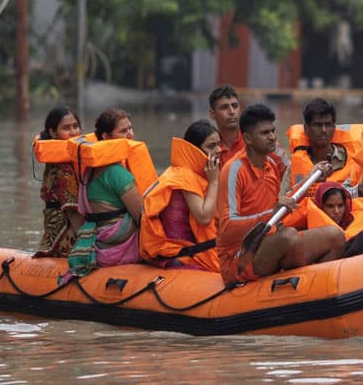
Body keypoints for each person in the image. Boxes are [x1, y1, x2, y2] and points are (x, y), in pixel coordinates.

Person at [215, 103, 345, 286]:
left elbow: (284, 203)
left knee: (335, 236)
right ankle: (300, 287)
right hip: (240, 256)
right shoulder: (233, 170)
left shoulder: (271, 165)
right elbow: (227, 227)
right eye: (265, 133)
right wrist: (270, 214)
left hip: (271, 241)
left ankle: (316, 289)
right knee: (289, 236)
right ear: (248, 138)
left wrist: (310, 178)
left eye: (273, 131)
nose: (272, 137)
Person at [63, 110, 146, 279]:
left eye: (130, 128)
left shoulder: (89, 170)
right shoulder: (116, 173)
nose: (130, 134)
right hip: (116, 245)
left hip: (98, 241)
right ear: (106, 137)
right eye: (123, 131)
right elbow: (141, 217)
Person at [138, 120, 223, 271]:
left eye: (218, 144)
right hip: (182, 256)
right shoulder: (184, 176)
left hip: (192, 250)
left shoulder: (184, 170)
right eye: (211, 146)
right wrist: (214, 182)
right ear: (194, 149)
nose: (219, 150)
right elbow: (204, 217)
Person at [287, 97, 363, 198]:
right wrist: (306, 181)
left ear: (334, 129)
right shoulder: (293, 167)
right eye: (317, 125)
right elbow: (283, 202)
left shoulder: (354, 163)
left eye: (328, 125)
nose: (323, 130)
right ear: (306, 129)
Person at [34, 105, 83, 259]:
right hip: (65, 230)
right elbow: (72, 210)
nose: (73, 132)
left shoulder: (64, 157)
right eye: (66, 128)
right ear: (53, 132)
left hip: (53, 229)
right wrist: (87, 242)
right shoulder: (62, 165)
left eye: (76, 126)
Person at [208, 85, 245, 168]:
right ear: (212, 114)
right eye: (224, 107)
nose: (232, 111)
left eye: (235, 106)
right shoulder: (208, 146)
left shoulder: (253, 141)